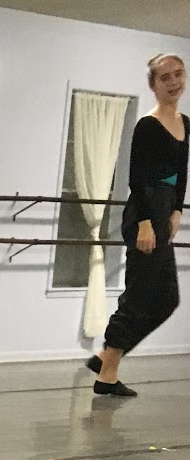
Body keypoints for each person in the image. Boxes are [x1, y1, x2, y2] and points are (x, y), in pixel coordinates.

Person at [90, 53, 186, 398]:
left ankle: (106, 358)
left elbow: (182, 172)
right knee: (140, 295)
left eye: (178, 74)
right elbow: (136, 177)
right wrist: (146, 223)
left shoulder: (185, 123)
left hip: (164, 210)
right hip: (144, 211)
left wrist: (177, 210)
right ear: (153, 84)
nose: (174, 82)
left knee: (167, 298)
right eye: (165, 77)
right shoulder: (147, 125)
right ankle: (108, 371)